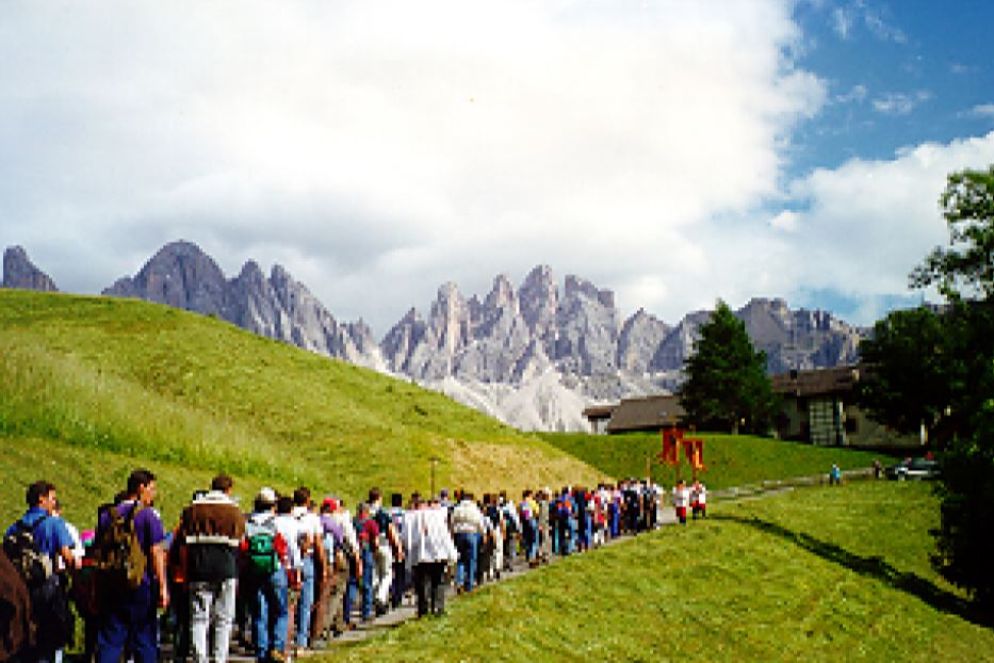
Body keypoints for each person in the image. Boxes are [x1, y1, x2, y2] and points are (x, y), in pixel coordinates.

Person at [95, 468, 169, 663]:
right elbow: (156, 552)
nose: (153, 494)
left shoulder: (108, 516)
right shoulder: (148, 516)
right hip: (140, 584)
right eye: (151, 489)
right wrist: (162, 586)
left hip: (111, 582)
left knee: (110, 639)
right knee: (144, 639)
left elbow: (99, 551)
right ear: (140, 488)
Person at [4, 480, 77, 663]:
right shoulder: (54, 523)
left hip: (19, 588)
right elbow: (67, 555)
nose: (54, 502)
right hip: (46, 586)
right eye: (52, 498)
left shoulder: (14, 528)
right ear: (41, 499)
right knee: (50, 635)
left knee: (26, 633)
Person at [180, 475, 246, 663]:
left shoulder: (193, 510)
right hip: (226, 568)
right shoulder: (234, 511)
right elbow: (241, 541)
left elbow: (184, 542)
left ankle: (200, 657)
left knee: (199, 617)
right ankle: (219, 658)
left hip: (198, 567)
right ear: (229, 489)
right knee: (223, 619)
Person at [243, 487, 289, 663]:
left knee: (259, 611)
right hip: (274, 568)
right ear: (273, 505)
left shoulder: (248, 523)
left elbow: (243, 548)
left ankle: (261, 651)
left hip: (253, 570)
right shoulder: (277, 522)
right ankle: (277, 647)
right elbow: (285, 547)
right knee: (280, 610)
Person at [403, 496, 457, 617]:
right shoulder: (437, 516)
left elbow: (406, 537)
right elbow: (444, 535)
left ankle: (423, 609)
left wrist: (409, 550)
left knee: (422, 583)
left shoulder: (411, 517)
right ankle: (438, 608)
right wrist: (451, 553)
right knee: (437, 581)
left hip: (420, 554)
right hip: (437, 553)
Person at [290, 487, 324, 655]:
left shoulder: (287, 515)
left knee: (289, 604)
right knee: (305, 602)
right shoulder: (312, 518)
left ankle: (285, 640)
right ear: (308, 500)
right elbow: (317, 543)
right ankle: (301, 641)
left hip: (288, 561)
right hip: (307, 560)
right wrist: (323, 565)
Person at [451, 492, 485, 592]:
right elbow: (480, 523)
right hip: (471, 534)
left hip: (459, 534)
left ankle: (460, 582)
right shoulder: (474, 509)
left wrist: (452, 534)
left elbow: (452, 522)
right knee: (471, 560)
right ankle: (469, 584)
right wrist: (483, 534)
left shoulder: (457, 509)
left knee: (460, 559)